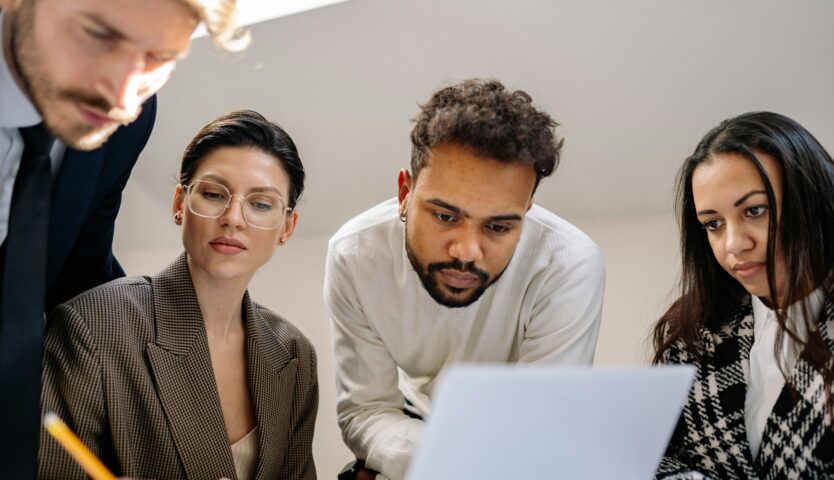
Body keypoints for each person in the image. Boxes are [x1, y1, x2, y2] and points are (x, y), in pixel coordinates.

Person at [0, 0, 249, 476]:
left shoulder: (127, 121)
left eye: (159, 57)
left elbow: (78, 270)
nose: (121, 95)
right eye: (98, 35)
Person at [325, 78, 605, 480]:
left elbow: (541, 430)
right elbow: (366, 412)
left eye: (498, 227)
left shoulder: (568, 264)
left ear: (527, 210)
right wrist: (441, 460)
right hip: (412, 434)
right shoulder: (355, 254)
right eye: (445, 216)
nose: (466, 251)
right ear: (405, 193)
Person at [38, 110, 317, 480]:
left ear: (287, 226)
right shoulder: (90, 327)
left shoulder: (295, 354)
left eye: (261, 204)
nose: (233, 217)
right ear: (179, 204)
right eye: (214, 194)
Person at [653, 111, 834, 479]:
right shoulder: (692, 335)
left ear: (812, 200)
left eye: (755, 210)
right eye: (713, 224)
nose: (734, 244)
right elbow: (655, 459)